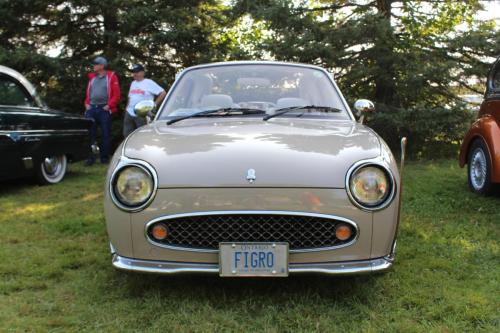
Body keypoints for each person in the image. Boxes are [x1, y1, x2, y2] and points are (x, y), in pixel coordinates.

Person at [84, 56, 121, 165]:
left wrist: (109, 106)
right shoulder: (92, 78)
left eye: (96, 64)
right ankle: (90, 158)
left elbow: (117, 95)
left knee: (105, 134)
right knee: (90, 135)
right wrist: (86, 104)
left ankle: (104, 159)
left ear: (102, 66)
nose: (94, 66)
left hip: (104, 110)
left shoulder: (111, 77)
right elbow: (88, 94)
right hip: (91, 109)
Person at [123, 64, 166, 137]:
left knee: (142, 135)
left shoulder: (148, 82)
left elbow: (163, 93)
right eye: (134, 72)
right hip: (129, 113)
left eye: (137, 72)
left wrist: (154, 105)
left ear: (143, 73)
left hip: (142, 113)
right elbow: (130, 96)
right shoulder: (133, 83)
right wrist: (127, 108)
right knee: (126, 135)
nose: (135, 74)